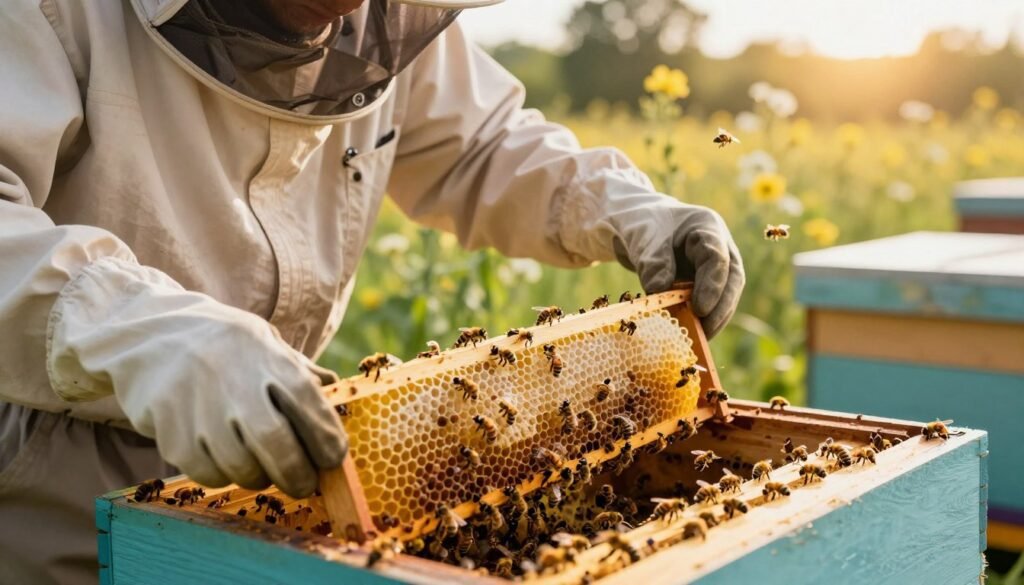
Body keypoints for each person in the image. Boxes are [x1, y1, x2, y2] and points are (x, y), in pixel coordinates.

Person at [0, 0, 745, 582]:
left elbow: (485, 145)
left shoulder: (385, 20)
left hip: (287, 475)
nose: (346, 11)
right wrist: (153, 338)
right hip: (50, 486)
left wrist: (624, 208)